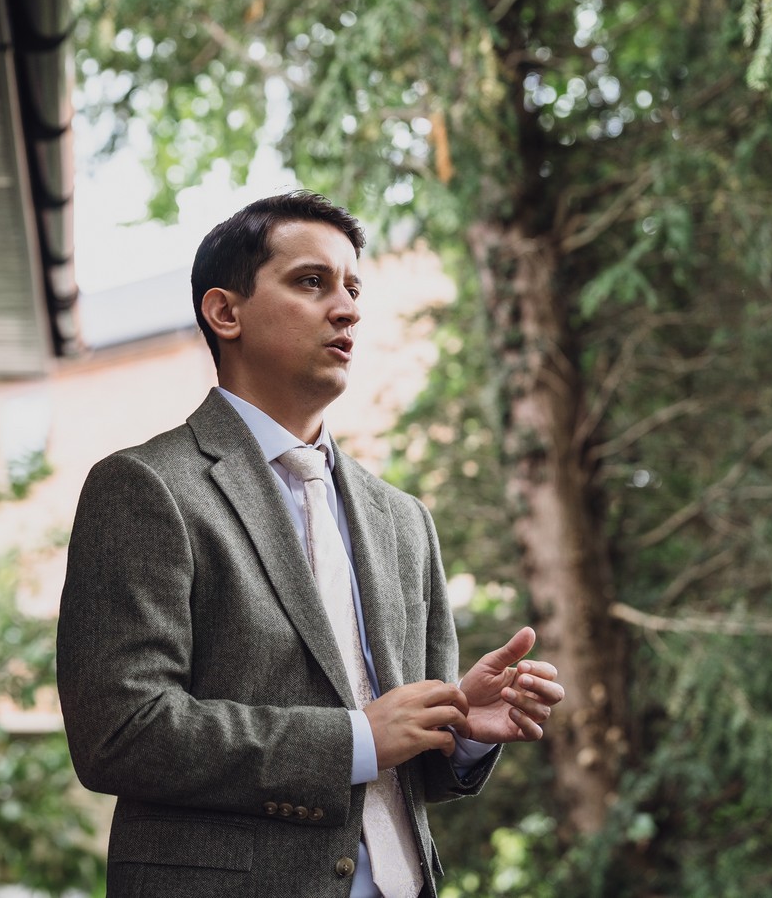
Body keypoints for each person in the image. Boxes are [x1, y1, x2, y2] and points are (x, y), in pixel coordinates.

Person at [56, 191, 565, 898]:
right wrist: (355, 738)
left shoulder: (404, 520)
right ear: (225, 311)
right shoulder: (145, 487)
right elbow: (121, 731)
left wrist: (462, 728)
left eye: (353, 287)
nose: (348, 307)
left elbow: (397, 776)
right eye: (311, 281)